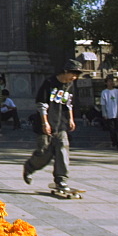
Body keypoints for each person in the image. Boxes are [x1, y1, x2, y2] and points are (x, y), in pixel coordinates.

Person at [23, 59, 81, 192]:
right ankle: (30, 167)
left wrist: (71, 119)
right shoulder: (49, 83)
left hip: (61, 124)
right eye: (73, 74)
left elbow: (68, 103)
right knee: (44, 152)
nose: (74, 77)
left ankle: (61, 179)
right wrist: (45, 122)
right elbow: (42, 104)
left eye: (76, 75)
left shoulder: (70, 85)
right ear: (65, 71)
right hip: (46, 124)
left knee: (62, 149)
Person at [100, 75, 118, 149]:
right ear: (106, 83)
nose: (111, 83)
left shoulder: (117, 91)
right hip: (109, 114)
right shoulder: (104, 92)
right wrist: (104, 114)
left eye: (112, 81)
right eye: (109, 81)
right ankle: (115, 143)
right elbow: (103, 104)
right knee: (112, 130)